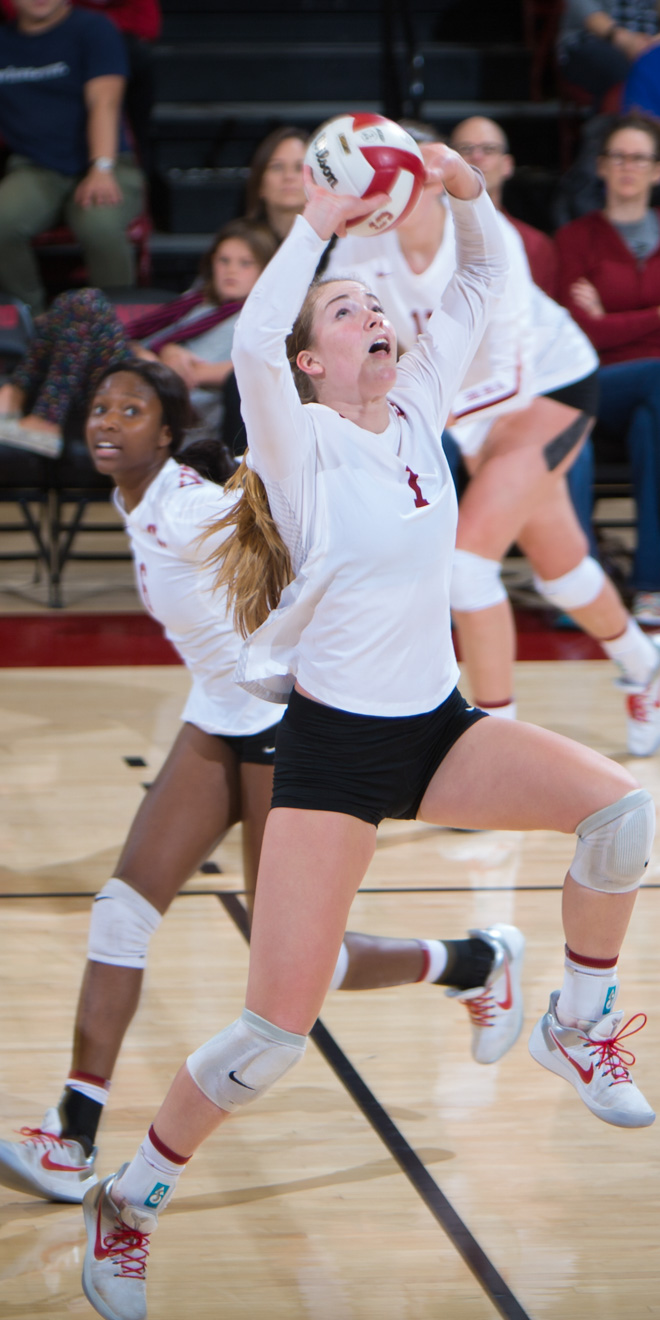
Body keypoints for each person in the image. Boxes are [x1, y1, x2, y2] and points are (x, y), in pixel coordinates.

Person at [78, 149, 655, 1320]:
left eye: (378, 302)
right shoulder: (299, 443)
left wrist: (466, 191)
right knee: (271, 1035)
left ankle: (578, 1019)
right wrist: (319, 228)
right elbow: (247, 348)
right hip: (333, 754)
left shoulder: (420, 405)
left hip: (438, 730)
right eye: (347, 310)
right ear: (312, 359)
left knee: (625, 813)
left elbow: (490, 285)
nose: (375, 311)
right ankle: (130, 1196)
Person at [0, 358, 526, 1206]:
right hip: (217, 711)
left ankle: (472, 961)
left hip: (286, 722)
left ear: (165, 434)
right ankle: (72, 1133)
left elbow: (287, 534)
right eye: (99, 407)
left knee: (295, 968)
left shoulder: (187, 504)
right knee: (123, 911)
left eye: (130, 410)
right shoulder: (131, 499)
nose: (107, 421)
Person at [326, 120, 660, 755]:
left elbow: (508, 379)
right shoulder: (358, 249)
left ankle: (491, 751)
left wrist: (412, 417)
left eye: (391, 174)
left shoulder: (484, 236)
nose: (378, 193)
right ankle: (646, 666)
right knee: (560, 572)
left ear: (424, 177)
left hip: (546, 389)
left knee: (467, 570)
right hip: (464, 407)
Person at [0, 218, 277, 457]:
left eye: (245, 263)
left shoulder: (264, 321)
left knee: (87, 302)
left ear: (267, 270)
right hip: (141, 382)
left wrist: (166, 361)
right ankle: (23, 403)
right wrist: (153, 356)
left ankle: (32, 409)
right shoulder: (196, 304)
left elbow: (240, 373)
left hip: (177, 411)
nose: (231, 270)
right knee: (72, 304)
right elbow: (139, 343)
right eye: (224, 260)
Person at [555, 112, 660, 627]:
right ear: (600, 167)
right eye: (617, 156)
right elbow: (580, 334)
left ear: (656, 170)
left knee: (652, 425)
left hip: (650, 400)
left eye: (639, 157)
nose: (627, 167)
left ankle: (643, 585)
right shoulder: (576, 239)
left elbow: (600, 323)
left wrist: (610, 317)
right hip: (592, 384)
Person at [0, 0, 145, 315]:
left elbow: (104, 103)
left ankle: (114, 328)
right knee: (2, 220)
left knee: (99, 225)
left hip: (105, 161)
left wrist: (101, 167)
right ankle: (30, 324)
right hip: (35, 167)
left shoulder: (93, 29)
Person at [0, 0, 162, 171]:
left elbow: (147, 25)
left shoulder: (95, 28)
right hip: (31, 161)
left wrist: (102, 168)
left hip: (101, 37)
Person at [557, 0, 660, 109]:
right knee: (626, 70)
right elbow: (584, 7)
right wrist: (623, 39)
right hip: (594, 39)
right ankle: (618, 123)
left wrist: (653, 42)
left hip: (650, 41)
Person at [244, 125, 308, 245]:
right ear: (259, 183)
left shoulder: (341, 245)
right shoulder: (241, 245)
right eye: (277, 167)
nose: (288, 176)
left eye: (299, 167)